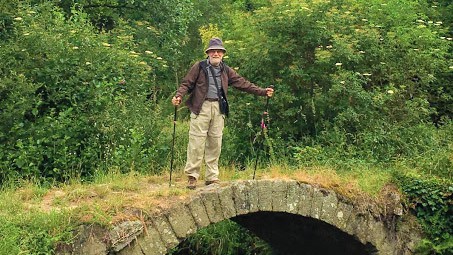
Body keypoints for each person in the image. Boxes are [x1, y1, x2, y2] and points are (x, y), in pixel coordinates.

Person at [172, 37, 274, 189]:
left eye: (219, 51)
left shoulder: (226, 70)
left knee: (215, 142)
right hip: (201, 107)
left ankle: (212, 177)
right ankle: (192, 176)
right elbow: (186, 83)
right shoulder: (199, 67)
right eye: (213, 51)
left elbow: (242, 83)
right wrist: (179, 95)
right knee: (196, 142)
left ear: (223, 54)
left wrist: (262, 92)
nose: (216, 53)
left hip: (219, 108)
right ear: (208, 53)